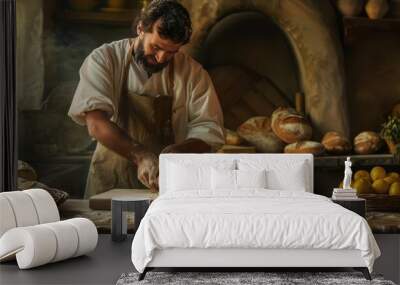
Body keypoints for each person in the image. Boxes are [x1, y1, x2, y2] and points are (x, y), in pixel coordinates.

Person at [67, 0, 225, 198]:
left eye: (171, 52)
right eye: (156, 47)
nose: (161, 58)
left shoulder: (193, 73)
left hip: (166, 185)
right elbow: (96, 123)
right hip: (110, 183)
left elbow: (209, 129)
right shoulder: (104, 59)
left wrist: (178, 151)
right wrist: (141, 155)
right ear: (141, 28)